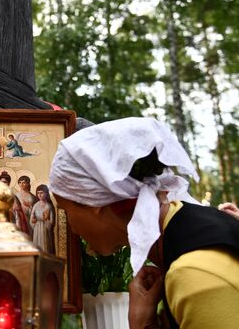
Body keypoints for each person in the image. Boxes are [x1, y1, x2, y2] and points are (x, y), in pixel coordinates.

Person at [49, 117, 239, 329]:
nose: (71, 228)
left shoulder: (195, 274)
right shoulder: (188, 230)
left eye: (66, 211)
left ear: (93, 203)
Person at [30, 184, 55, 253]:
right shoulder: (35, 205)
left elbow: (52, 222)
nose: (39, 195)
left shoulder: (49, 206)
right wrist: (33, 221)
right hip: (37, 228)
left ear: (46, 194)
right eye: (38, 193)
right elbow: (31, 219)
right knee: (37, 245)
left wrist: (46, 219)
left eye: (41, 193)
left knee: (45, 244)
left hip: (45, 228)